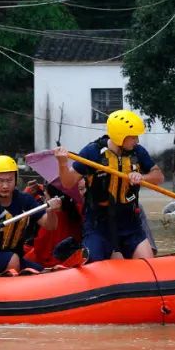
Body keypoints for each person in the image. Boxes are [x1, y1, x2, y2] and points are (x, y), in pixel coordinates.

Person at [55, 109, 164, 262]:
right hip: (99, 224)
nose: (137, 141)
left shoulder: (137, 152)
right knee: (94, 261)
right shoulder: (92, 152)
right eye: (133, 137)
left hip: (130, 222)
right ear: (121, 136)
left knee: (148, 263)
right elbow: (68, 183)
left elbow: (159, 176)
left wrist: (142, 177)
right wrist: (62, 164)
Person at [22, 183, 85, 269]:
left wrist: (27, 193)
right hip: (72, 257)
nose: (44, 199)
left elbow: (40, 250)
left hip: (51, 262)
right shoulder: (78, 209)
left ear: (53, 199)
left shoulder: (51, 218)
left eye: (46, 196)